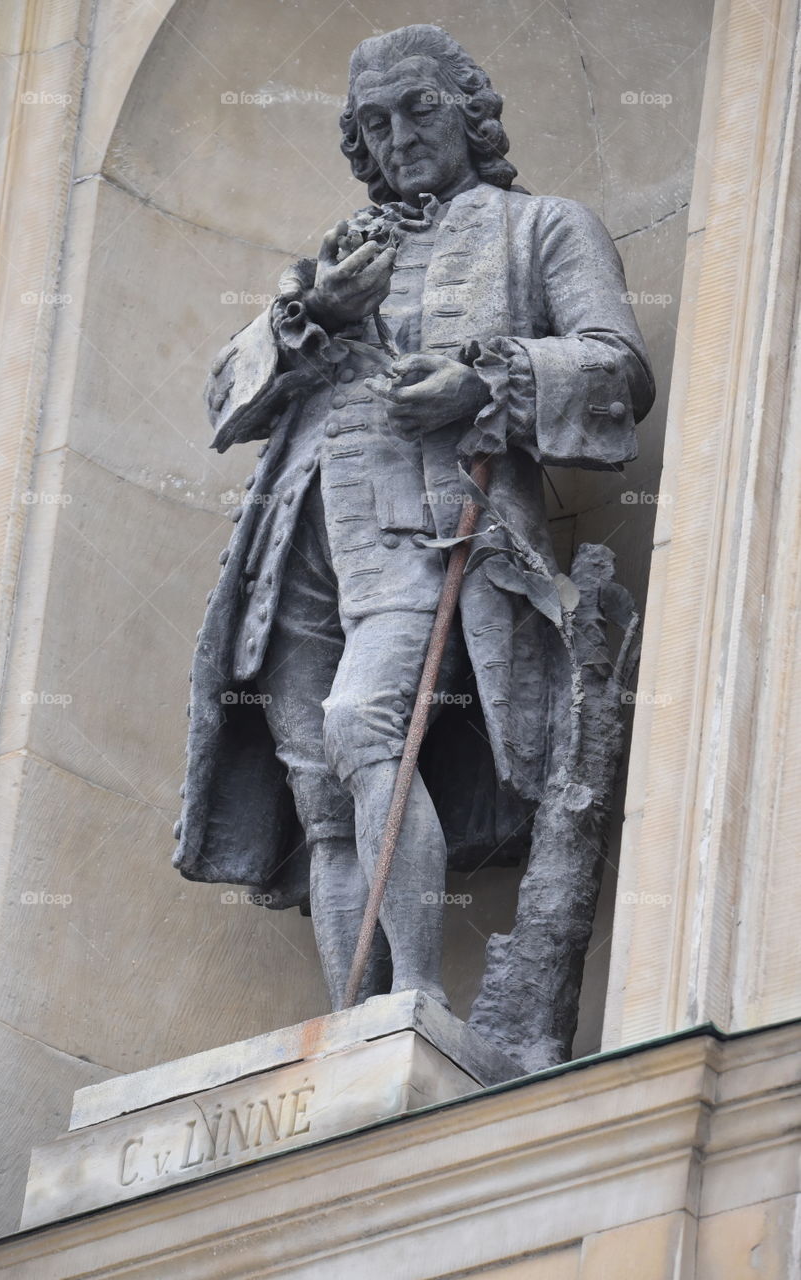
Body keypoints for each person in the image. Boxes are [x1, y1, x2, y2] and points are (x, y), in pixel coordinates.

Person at [173, 24, 654, 1017]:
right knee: (323, 800)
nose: (395, 137)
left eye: (418, 109)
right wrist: (309, 317)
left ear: (470, 114)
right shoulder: (340, 254)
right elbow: (227, 400)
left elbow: (614, 371)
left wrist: (479, 382)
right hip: (299, 532)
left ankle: (420, 999)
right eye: (372, 123)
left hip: (429, 524)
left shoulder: (539, 227)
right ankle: (357, 1021)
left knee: (361, 723)